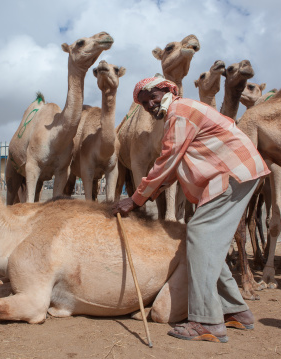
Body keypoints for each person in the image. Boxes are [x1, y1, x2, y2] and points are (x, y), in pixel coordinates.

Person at [112, 75, 270, 343]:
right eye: (143, 102)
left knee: (198, 234)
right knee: (206, 243)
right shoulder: (178, 113)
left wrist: (136, 199)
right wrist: (149, 193)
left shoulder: (180, 112)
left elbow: (167, 160)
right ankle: (235, 311)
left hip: (231, 173)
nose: (148, 105)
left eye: (152, 97)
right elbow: (175, 166)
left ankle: (206, 321)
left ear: (168, 90)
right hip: (232, 174)